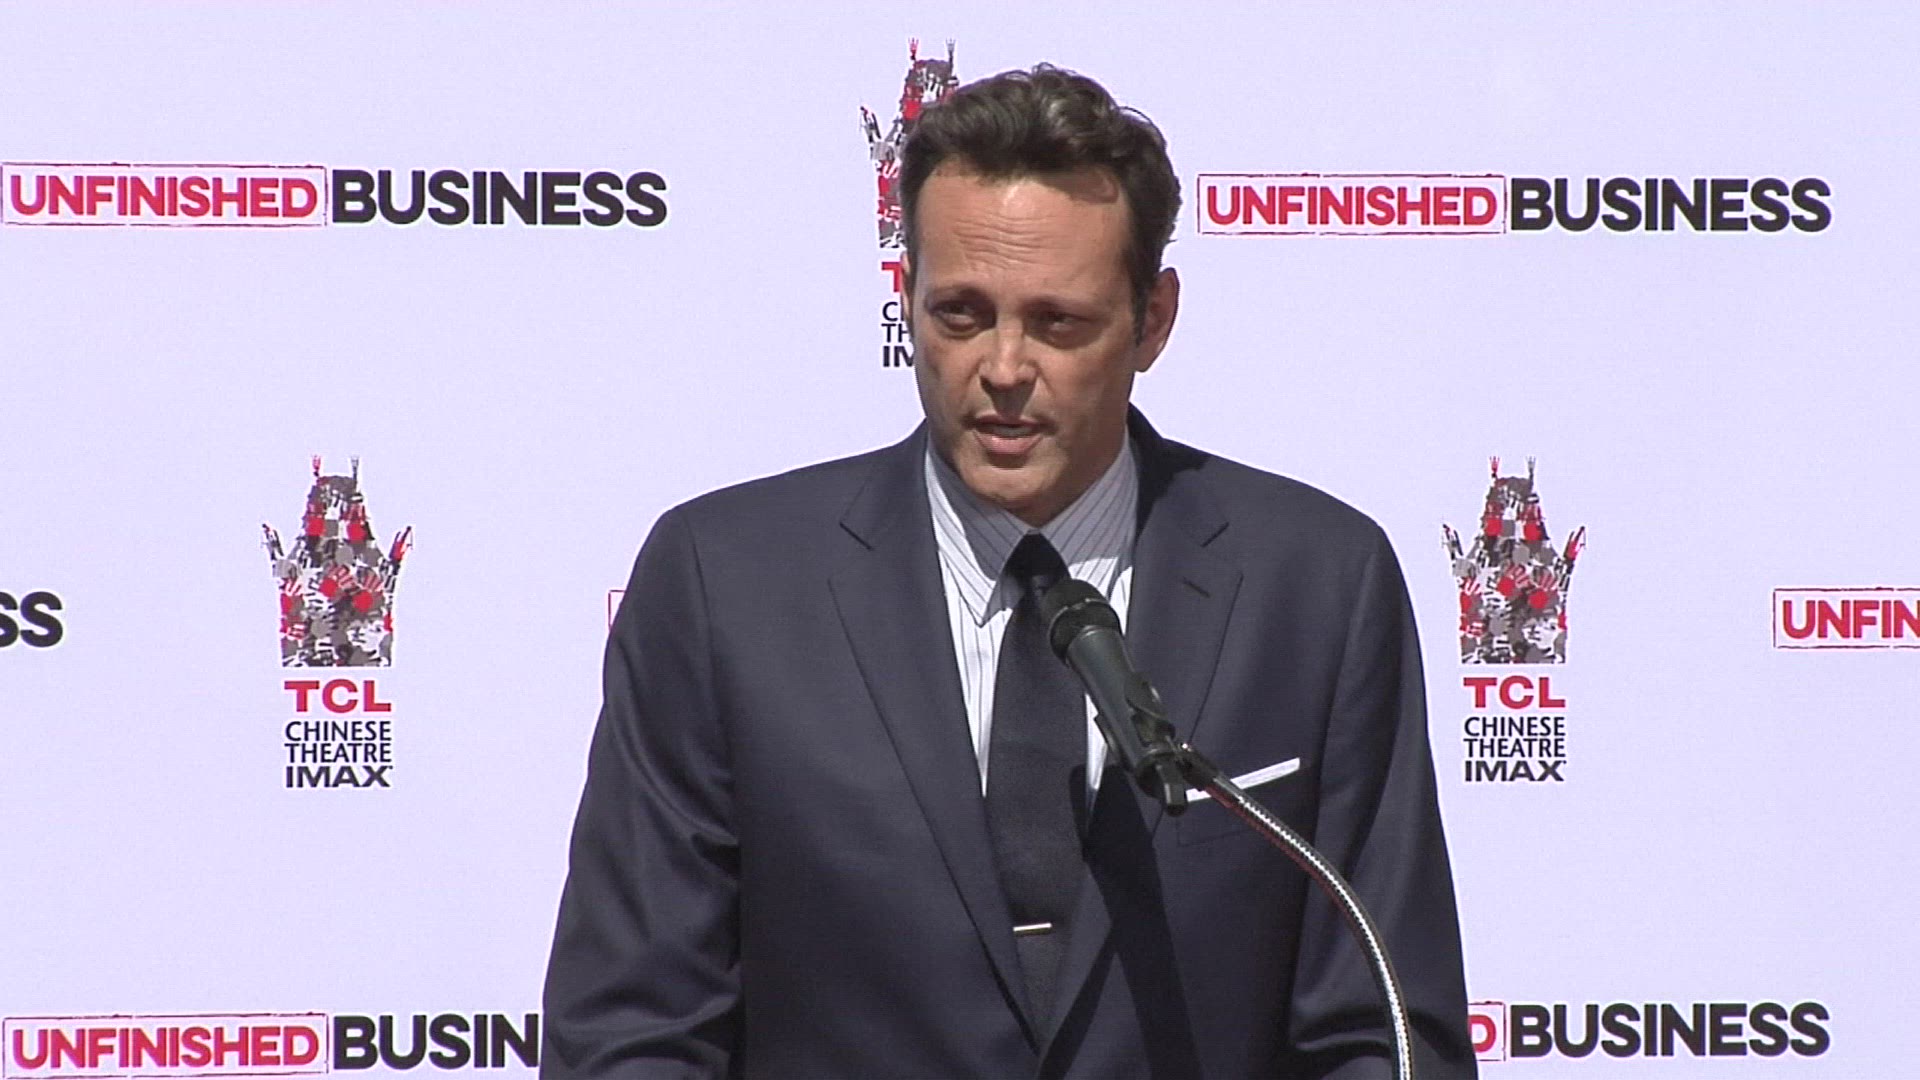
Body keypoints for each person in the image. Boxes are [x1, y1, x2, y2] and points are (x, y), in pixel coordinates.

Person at [543, 65, 1476, 1079]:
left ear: (1153, 320)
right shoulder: (724, 587)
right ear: (906, 296)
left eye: (1058, 322)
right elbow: (632, 1033)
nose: (1002, 367)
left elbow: (1382, 1033)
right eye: (960, 314)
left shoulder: (1318, 588)